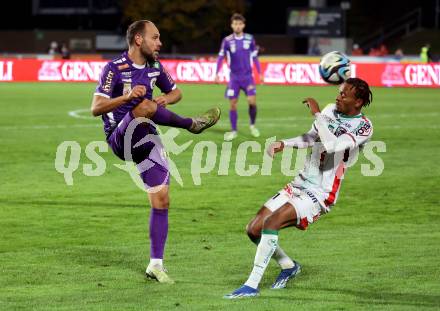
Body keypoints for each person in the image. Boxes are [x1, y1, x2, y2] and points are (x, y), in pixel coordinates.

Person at [91, 20, 220, 284]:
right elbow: (96, 107)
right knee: (143, 108)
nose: (159, 43)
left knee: (162, 199)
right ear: (139, 39)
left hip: (146, 137)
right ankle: (191, 125)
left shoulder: (155, 67)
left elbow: (176, 92)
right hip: (120, 137)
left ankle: (156, 265)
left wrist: (166, 99)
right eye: (155, 37)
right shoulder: (114, 69)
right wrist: (126, 99)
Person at [224, 78, 373, 298]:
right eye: (339, 92)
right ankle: (288, 266)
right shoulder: (330, 110)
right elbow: (312, 137)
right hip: (300, 183)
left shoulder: (364, 127)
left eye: (344, 95)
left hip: (321, 192)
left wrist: (316, 114)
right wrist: (284, 143)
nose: (337, 97)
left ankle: (251, 285)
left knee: (271, 222)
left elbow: (332, 146)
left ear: (358, 102)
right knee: (253, 229)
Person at [215, 13, 264, 141]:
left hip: (248, 77)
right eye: (235, 24)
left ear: (243, 25)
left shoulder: (250, 39)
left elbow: (255, 57)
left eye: (239, 24)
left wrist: (260, 73)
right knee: (233, 104)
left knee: (252, 102)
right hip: (234, 79)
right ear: (232, 25)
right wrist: (217, 73)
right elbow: (220, 57)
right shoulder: (227, 40)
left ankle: (252, 125)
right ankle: (234, 130)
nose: (237, 26)